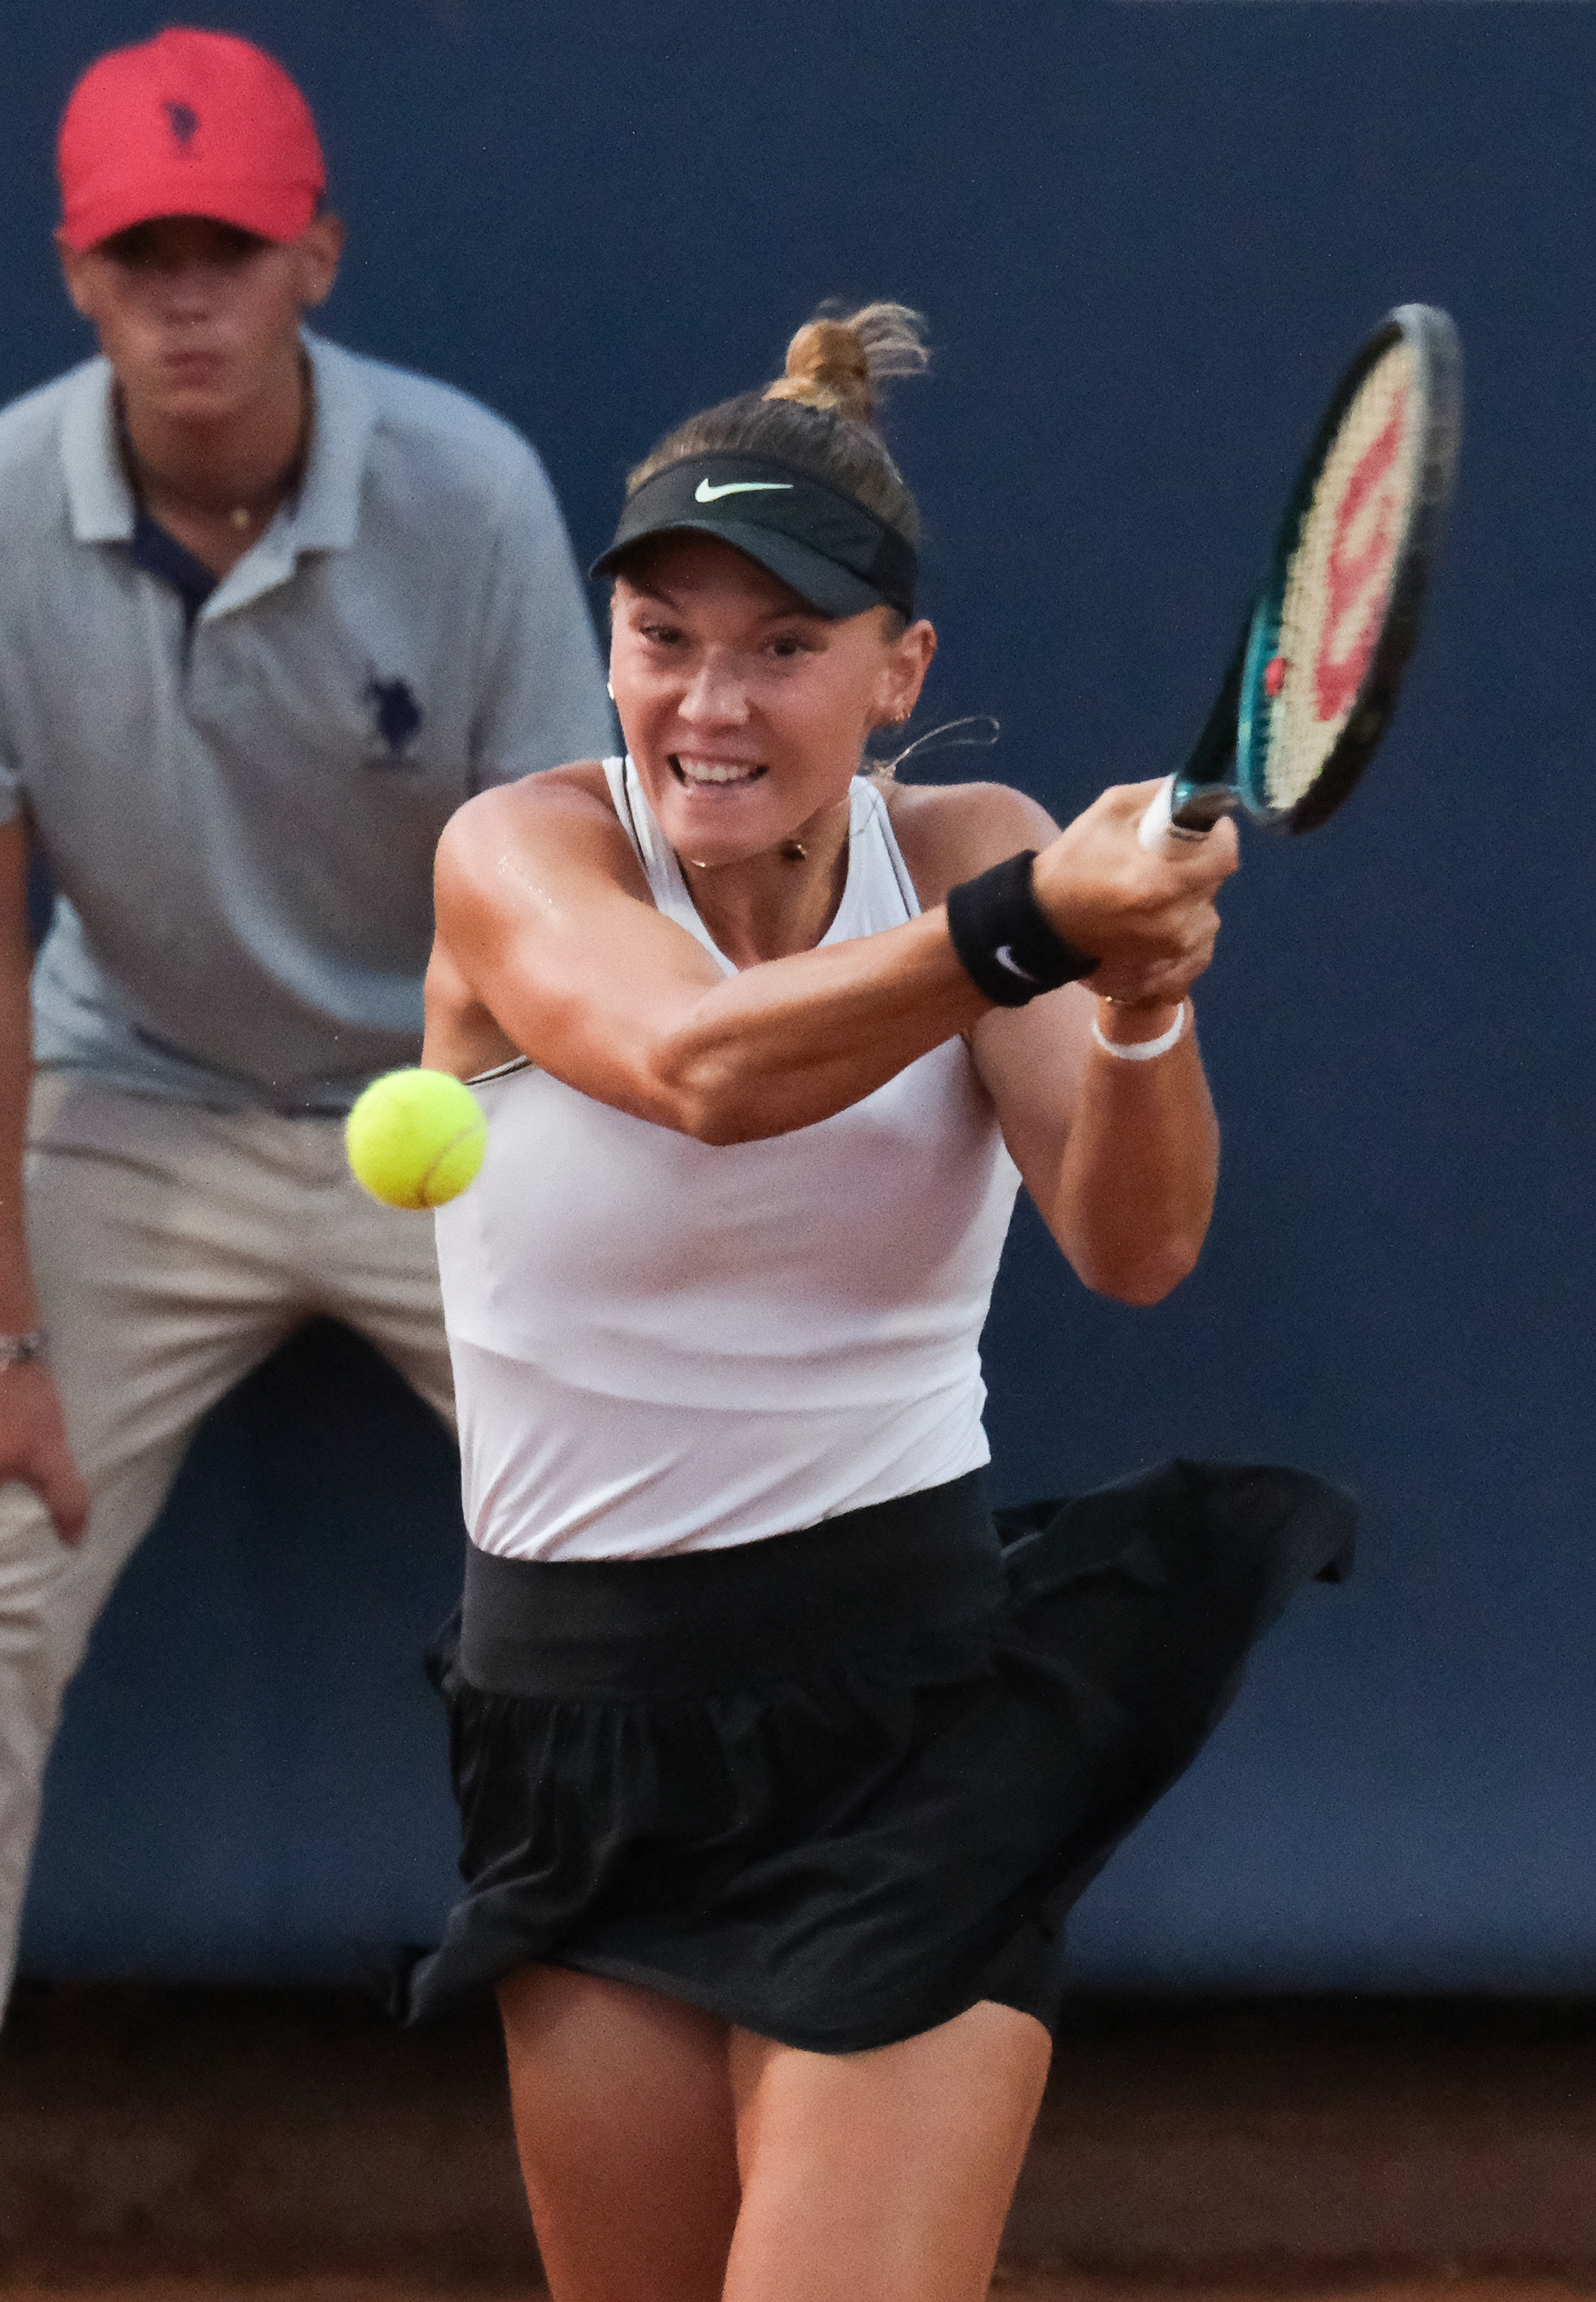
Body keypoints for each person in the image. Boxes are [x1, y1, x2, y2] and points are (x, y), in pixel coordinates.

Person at [413, 303, 1353, 2302]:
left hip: (912, 1725)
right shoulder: (522, 856)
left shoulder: (968, 850)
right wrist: (1029, 936)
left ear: (899, 671)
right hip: (581, 1730)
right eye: (666, 638)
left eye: (782, 646)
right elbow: (701, 1069)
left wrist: (1136, 1005)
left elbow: (1136, 1244)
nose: (710, 702)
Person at [0, 27, 612, 2012]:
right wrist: (5, 1334)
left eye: (233, 250)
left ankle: (765, 2117)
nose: (190, 300)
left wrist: (524, 1163)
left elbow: (567, 902)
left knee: (681, 1567)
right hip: (128, 1105)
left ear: (316, 259)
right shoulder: (1, 509)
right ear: (78, 272)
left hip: (456, 1100)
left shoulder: (471, 492)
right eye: (144, 254)